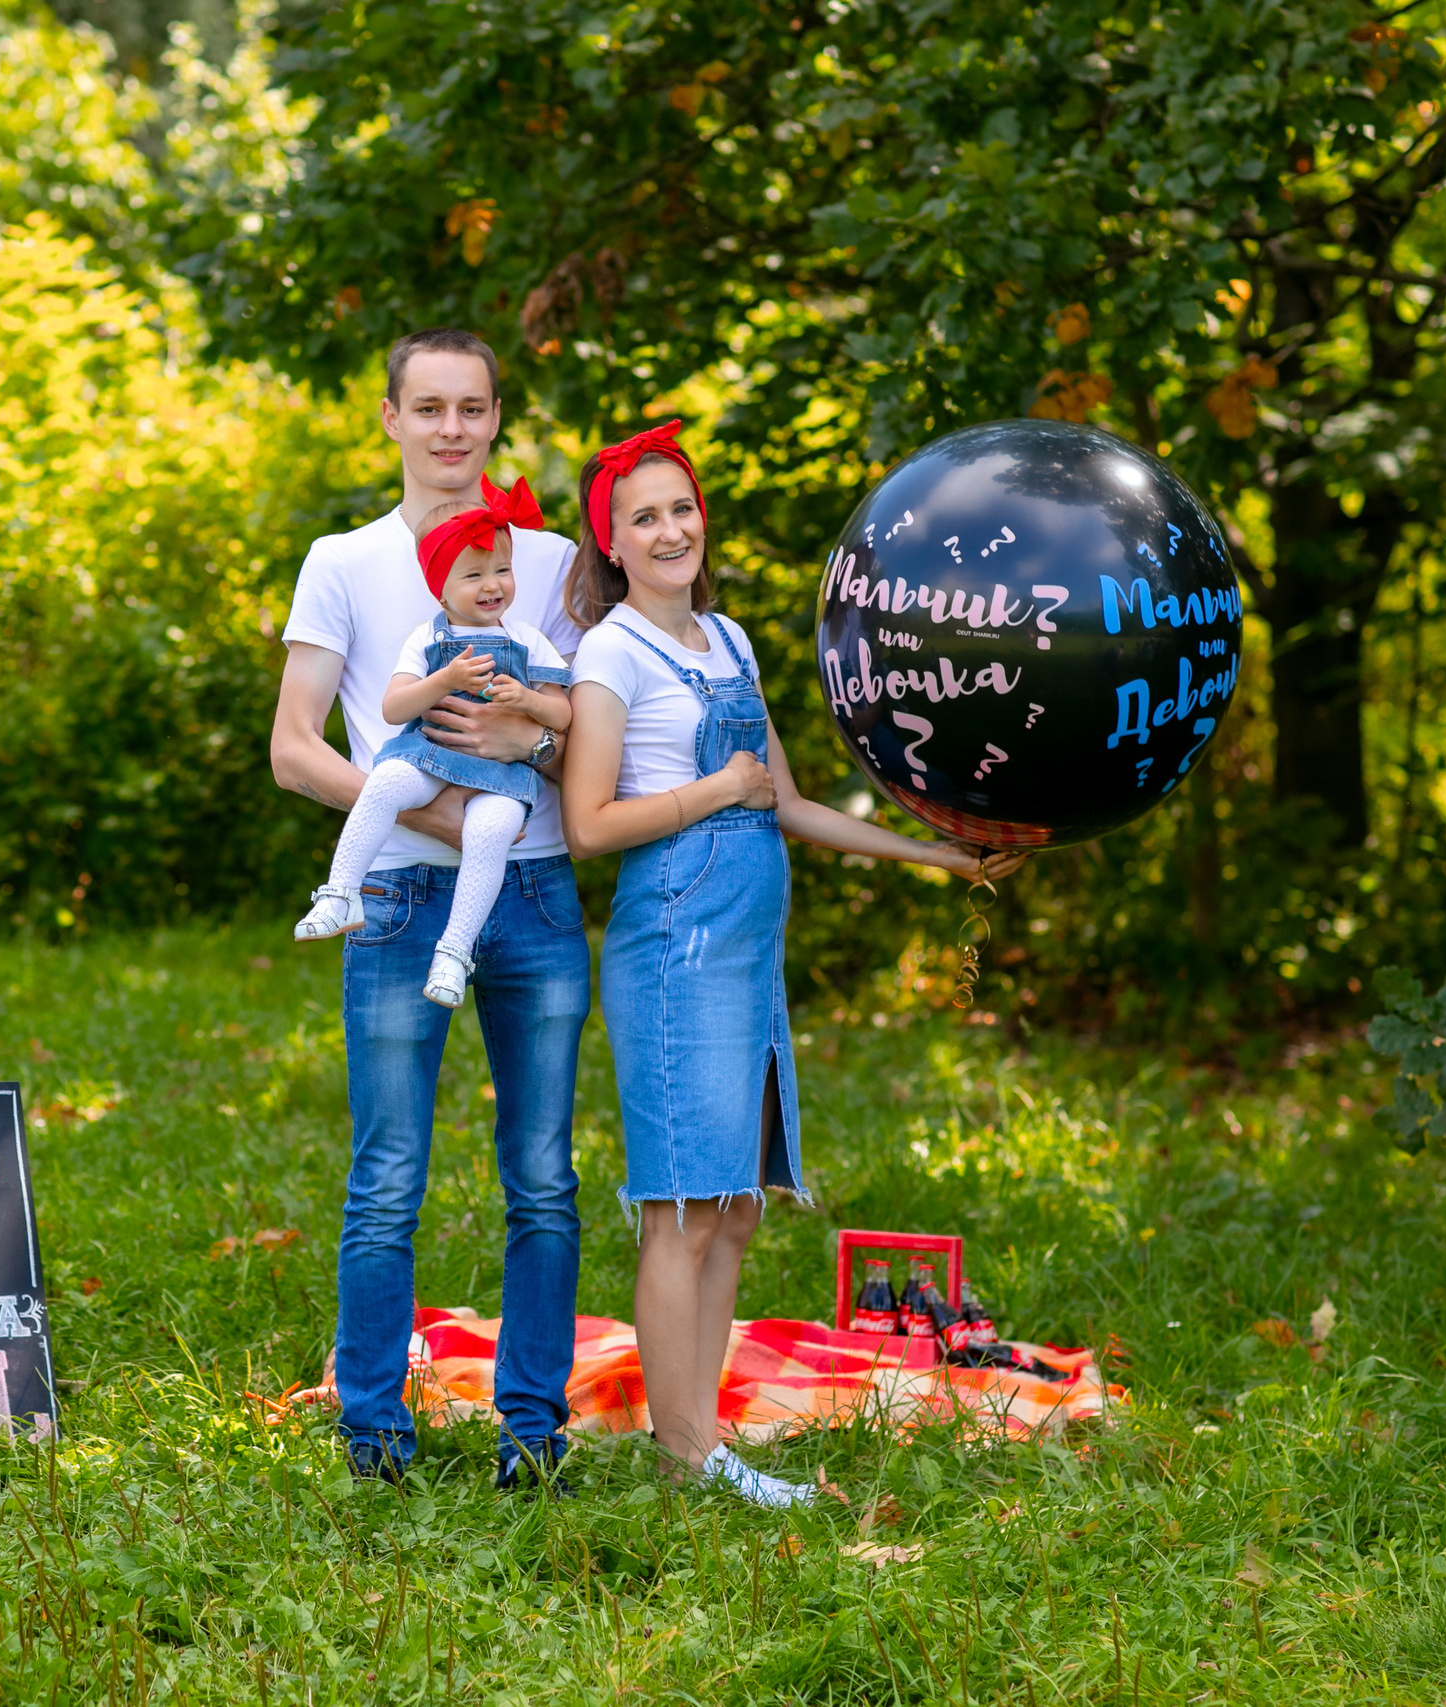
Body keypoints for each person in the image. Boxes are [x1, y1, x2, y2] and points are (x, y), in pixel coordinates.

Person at [558, 421, 1024, 1505]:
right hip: (674, 952)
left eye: (681, 508)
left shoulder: (726, 639)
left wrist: (940, 851)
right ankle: (684, 1459)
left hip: (745, 956)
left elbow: (795, 803)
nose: (670, 529)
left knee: (735, 1206)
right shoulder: (611, 654)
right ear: (612, 544)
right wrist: (715, 792)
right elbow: (589, 822)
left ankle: (699, 1438)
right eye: (644, 517)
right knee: (683, 1204)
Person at [271, 328, 590, 1490]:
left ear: (497, 418)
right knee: (387, 1175)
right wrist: (444, 824)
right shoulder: (343, 561)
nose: (452, 429)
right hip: (403, 898)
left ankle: (532, 1434)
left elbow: (601, 735)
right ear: (392, 419)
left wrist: (538, 732)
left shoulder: (551, 564)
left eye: (474, 408)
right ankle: (372, 1437)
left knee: (543, 1178)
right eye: (430, 408)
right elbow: (296, 751)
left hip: (540, 898)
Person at [294, 479, 573, 1009]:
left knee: (491, 830)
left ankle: (454, 949)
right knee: (387, 781)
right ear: (439, 588)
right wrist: (443, 680)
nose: (493, 585)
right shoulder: (427, 638)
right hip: (431, 756)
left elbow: (563, 713)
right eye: (473, 575)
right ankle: (341, 893)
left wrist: (528, 700)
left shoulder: (527, 640)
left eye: (503, 571)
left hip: (501, 775)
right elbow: (394, 708)